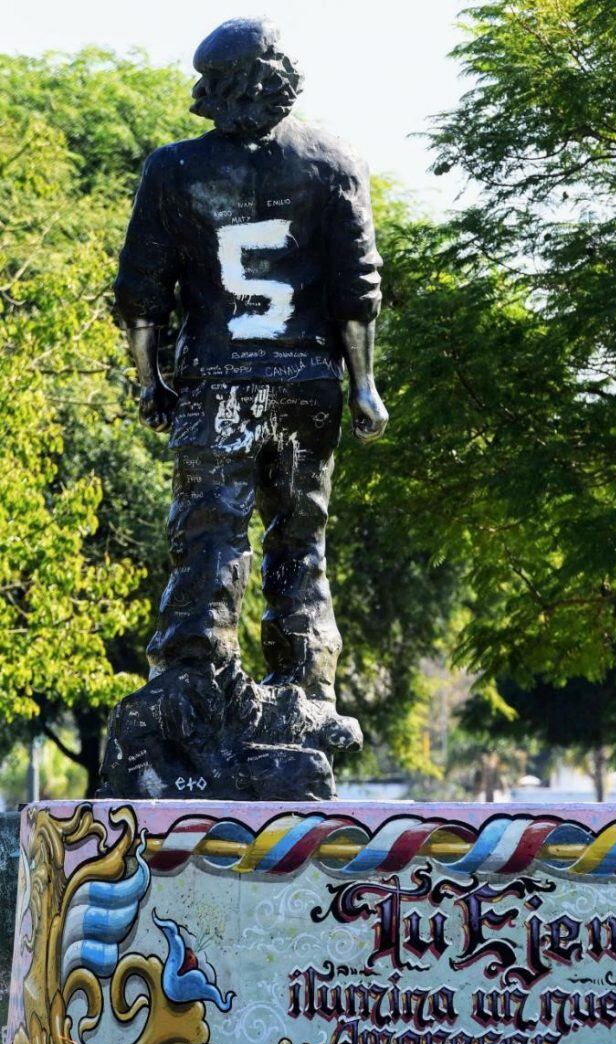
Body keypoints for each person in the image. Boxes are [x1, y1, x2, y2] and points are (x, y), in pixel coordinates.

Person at [114, 17, 387, 707]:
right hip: (309, 382)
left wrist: (150, 381)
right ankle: (307, 686)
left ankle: (191, 681)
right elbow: (357, 290)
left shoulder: (174, 169)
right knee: (300, 538)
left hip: (218, 386)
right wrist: (365, 385)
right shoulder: (334, 161)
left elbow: (141, 294)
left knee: (208, 533)